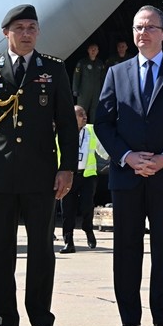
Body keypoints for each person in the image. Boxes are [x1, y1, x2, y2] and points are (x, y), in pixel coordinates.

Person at [0, 4, 76, 326]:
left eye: (32, 27)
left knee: (42, 250)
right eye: (20, 28)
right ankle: (4, 321)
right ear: (6, 33)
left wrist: (67, 168)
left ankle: (41, 319)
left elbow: (67, 126)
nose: (26, 33)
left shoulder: (53, 69)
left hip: (41, 176)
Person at [94, 6, 163, 326]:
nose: (143, 34)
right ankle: (130, 321)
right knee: (126, 250)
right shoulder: (116, 73)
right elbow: (104, 123)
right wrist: (126, 156)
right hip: (127, 176)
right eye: (138, 28)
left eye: (150, 28)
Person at [58, 105, 109, 254]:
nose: (85, 117)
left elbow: (103, 149)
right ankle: (69, 241)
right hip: (69, 176)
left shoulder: (92, 131)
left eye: (85, 114)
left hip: (87, 176)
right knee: (68, 210)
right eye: (81, 115)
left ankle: (88, 229)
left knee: (87, 206)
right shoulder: (63, 133)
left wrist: (113, 158)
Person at [72, 42, 105, 121]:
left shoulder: (100, 63)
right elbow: (76, 76)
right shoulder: (82, 62)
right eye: (91, 49)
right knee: (81, 111)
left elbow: (103, 78)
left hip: (96, 91)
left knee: (95, 110)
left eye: (95, 49)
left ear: (98, 51)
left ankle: (94, 129)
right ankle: (79, 129)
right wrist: (75, 89)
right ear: (88, 50)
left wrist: (104, 90)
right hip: (84, 91)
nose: (93, 51)